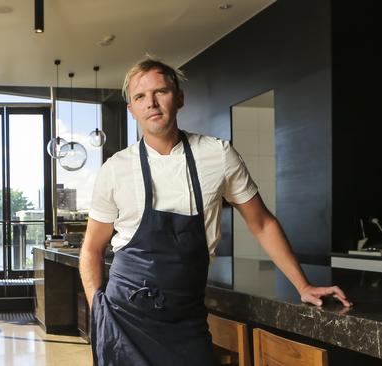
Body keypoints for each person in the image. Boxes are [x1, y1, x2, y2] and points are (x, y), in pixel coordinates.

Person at [79, 56, 352, 366]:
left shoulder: (217, 154)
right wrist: (98, 310)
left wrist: (303, 285)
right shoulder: (114, 169)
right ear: (132, 110)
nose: (151, 103)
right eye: (140, 97)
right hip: (124, 318)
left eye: (161, 92)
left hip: (187, 317)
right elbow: (92, 249)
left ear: (179, 97)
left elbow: (262, 223)